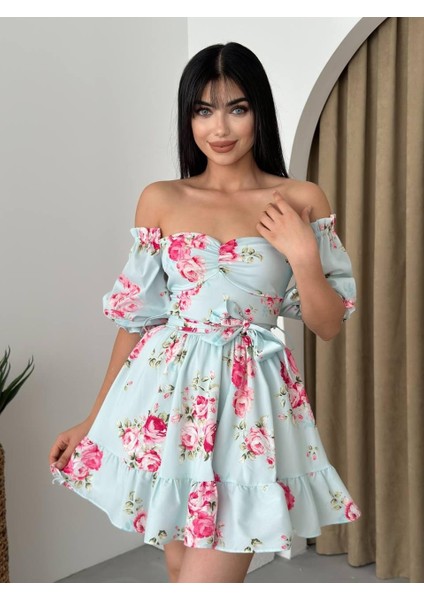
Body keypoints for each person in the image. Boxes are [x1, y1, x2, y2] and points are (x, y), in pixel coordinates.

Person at [49, 42, 361, 583]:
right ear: (187, 117)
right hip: (165, 406)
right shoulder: (161, 198)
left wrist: (303, 255)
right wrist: (92, 420)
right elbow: (136, 321)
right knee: (180, 573)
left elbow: (327, 325)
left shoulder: (301, 197)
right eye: (203, 110)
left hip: (249, 411)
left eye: (237, 108)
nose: (220, 127)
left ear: (259, 112)